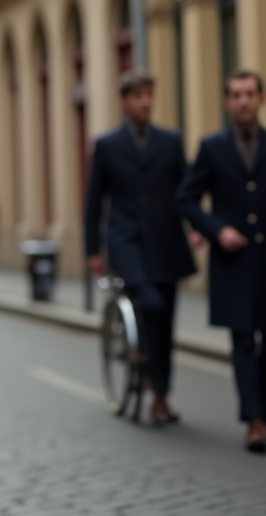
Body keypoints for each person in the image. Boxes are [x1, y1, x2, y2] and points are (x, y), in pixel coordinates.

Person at [84, 70, 196, 426]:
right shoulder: (106, 145)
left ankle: (161, 394)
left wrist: (196, 227)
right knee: (150, 303)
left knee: (166, 321)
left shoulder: (170, 141)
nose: (145, 102)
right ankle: (148, 373)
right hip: (127, 242)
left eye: (149, 95)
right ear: (124, 102)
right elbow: (94, 201)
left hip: (167, 243)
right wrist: (93, 250)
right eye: (138, 96)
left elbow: (186, 190)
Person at [177, 70, 266, 453]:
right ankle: (255, 421)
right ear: (228, 101)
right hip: (233, 263)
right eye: (237, 95)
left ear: (260, 98)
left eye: (250, 93)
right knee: (243, 342)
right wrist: (216, 230)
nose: (244, 101)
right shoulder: (212, 147)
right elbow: (186, 199)